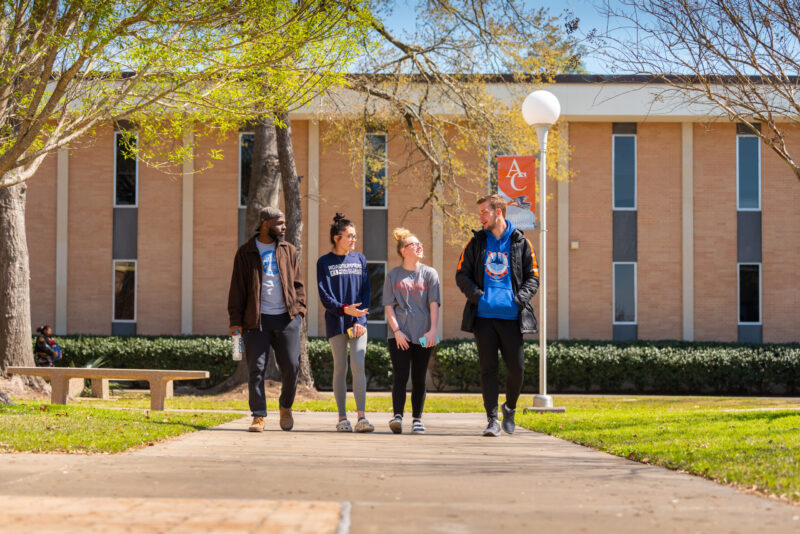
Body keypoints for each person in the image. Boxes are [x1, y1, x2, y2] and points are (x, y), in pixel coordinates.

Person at [455, 194, 539, 437]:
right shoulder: (477, 243)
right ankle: (492, 420)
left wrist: (518, 299)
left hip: (513, 317)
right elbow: (461, 274)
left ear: (498, 212)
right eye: (480, 212)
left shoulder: (522, 242)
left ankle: (509, 408)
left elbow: (533, 277)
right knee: (488, 369)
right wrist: (479, 296)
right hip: (483, 317)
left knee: (517, 368)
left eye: (484, 212)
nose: (481, 217)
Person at [228, 207, 306, 433]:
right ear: (265, 224)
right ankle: (258, 416)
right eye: (279, 223)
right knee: (256, 369)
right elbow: (237, 290)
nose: (283, 227)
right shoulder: (245, 253)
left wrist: (299, 311)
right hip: (256, 322)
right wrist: (235, 322)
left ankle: (285, 406)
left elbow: (298, 284)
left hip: (286, 320)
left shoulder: (288, 250)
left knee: (291, 366)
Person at [317, 213, 374, 433]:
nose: (353, 240)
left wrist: (360, 318)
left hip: (358, 322)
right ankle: (342, 419)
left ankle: (362, 418)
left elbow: (366, 290)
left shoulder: (360, 259)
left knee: (358, 365)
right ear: (336, 237)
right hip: (336, 321)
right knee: (340, 368)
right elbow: (324, 294)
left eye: (355, 236)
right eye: (349, 236)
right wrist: (342, 309)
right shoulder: (324, 262)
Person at [383, 228, 440, 434]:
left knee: (418, 377)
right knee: (400, 375)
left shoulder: (430, 274)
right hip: (399, 335)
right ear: (403, 250)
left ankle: (417, 419)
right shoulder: (393, 275)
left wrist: (433, 331)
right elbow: (389, 306)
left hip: (424, 335)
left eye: (420, 244)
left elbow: (434, 304)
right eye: (414, 244)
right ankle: (397, 416)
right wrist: (397, 331)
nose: (419, 246)